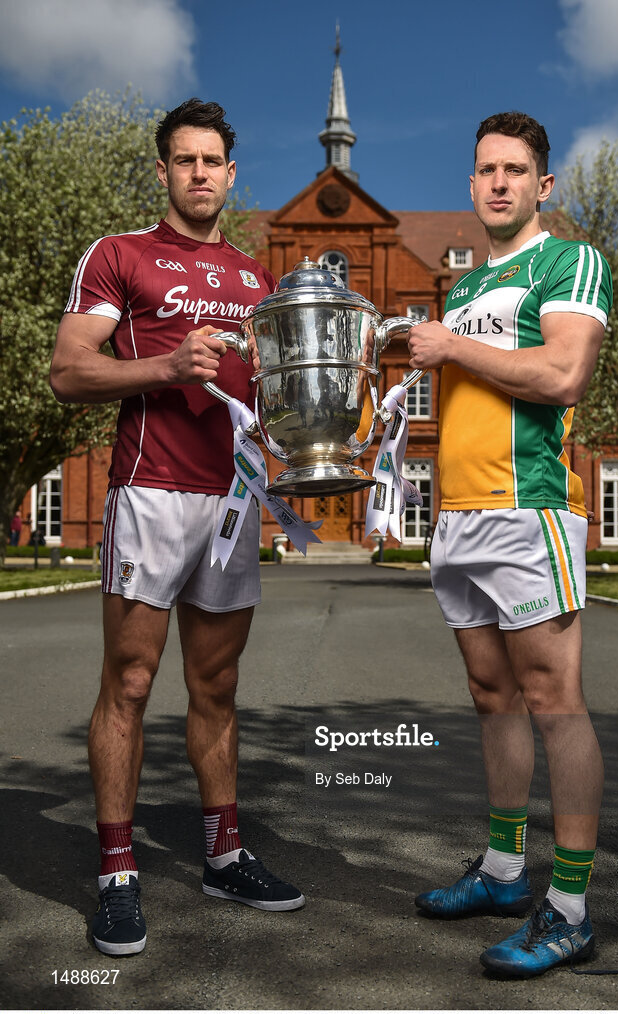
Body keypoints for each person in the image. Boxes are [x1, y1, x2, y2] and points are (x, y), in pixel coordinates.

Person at [50, 98, 304, 958]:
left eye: (213, 162)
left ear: (232, 175)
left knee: (218, 687)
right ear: (163, 172)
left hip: (230, 501)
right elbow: (67, 369)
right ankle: (118, 872)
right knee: (128, 681)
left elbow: (266, 401)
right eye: (184, 161)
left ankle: (223, 854)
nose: (200, 174)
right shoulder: (120, 256)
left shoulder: (255, 280)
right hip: (150, 493)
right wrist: (164, 362)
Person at [407, 111, 612, 978]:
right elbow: (471, 389)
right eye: (485, 169)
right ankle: (500, 871)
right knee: (491, 694)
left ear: (543, 186)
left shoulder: (568, 261)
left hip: (529, 511)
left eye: (515, 170)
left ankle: (567, 909)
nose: (498, 182)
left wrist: (451, 347)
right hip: (458, 514)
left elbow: (563, 373)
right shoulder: (460, 287)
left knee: (552, 696)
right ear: (471, 184)